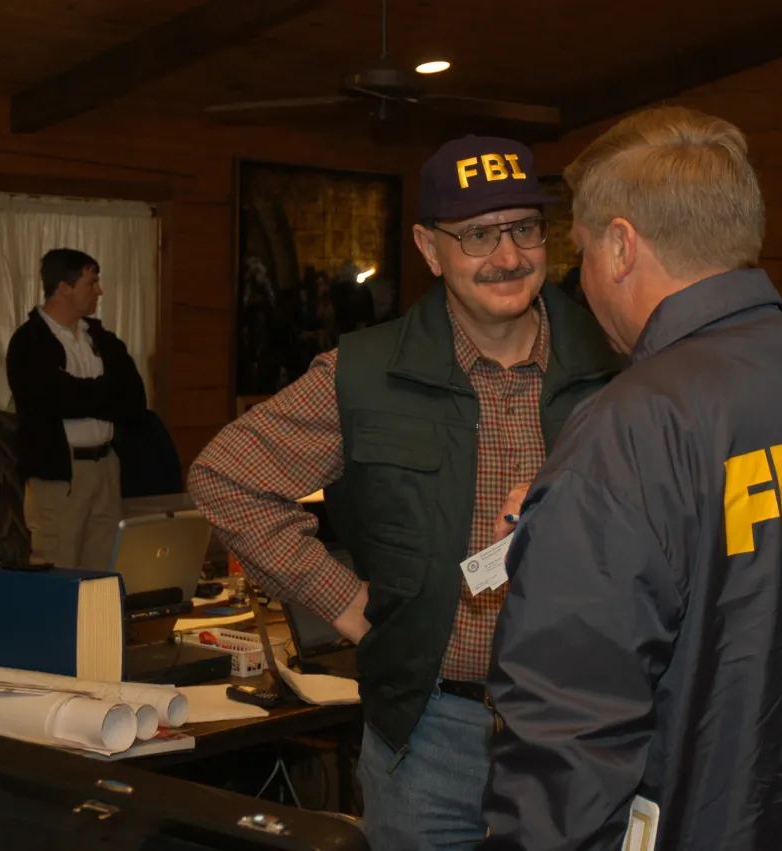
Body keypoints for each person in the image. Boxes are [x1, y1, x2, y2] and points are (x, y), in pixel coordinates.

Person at [479, 106, 782, 851]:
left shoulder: (630, 428)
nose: (581, 280)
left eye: (582, 253)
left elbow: (568, 737)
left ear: (620, 247)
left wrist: (582, 517)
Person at [187, 135, 620, 850]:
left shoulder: (619, 365)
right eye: (478, 234)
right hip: (426, 736)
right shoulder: (363, 374)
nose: (508, 256)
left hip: (580, 733)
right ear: (428, 247)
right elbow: (225, 478)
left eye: (524, 228)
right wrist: (350, 607)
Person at [6, 248, 147, 570]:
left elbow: (134, 399)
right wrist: (103, 392)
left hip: (106, 467)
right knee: (58, 566)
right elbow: (50, 400)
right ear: (64, 288)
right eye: (91, 283)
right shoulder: (30, 342)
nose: (99, 291)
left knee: (103, 568)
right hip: (61, 473)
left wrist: (80, 393)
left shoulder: (101, 338)